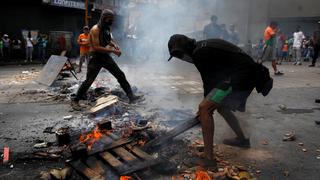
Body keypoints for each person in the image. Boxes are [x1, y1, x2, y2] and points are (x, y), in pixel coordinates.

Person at [167, 34, 273, 167]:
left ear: (183, 49)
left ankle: (208, 159)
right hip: (243, 74)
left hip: (242, 75)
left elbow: (209, 82)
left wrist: (203, 109)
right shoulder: (201, 48)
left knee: (205, 108)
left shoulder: (200, 53)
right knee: (221, 107)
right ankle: (242, 140)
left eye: (179, 55)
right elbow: (214, 79)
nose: (181, 58)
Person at [71, 9, 141, 111]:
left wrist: (114, 45)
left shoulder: (106, 27)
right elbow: (95, 47)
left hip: (105, 56)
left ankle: (132, 98)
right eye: (110, 19)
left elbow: (108, 39)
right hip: (95, 57)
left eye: (112, 19)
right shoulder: (95, 29)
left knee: (120, 75)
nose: (111, 21)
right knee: (89, 80)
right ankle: (76, 100)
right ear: (104, 18)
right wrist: (112, 51)